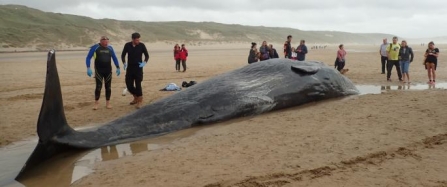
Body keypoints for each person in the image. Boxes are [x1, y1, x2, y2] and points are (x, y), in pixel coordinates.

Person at [85, 36, 120, 110]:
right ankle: (96, 103)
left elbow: (114, 58)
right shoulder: (95, 47)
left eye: (107, 42)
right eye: (105, 42)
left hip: (108, 70)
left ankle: (108, 103)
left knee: (108, 87)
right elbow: (88, 57)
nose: (106, 43)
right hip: (99, 70)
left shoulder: (110, 48)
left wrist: (118, 67)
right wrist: (88, 67)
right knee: (98, 87)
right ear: (101, 41)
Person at [121, 32, 149, 109]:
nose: (138, 41)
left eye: (139, 40)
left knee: (138, 84)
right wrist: (124, 63)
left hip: (138, 68)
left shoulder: (141, 45)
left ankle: (139, 100)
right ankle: (136, 97)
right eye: (136, 40)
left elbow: (147, 55)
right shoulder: (127, 45)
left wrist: (144, 62)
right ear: (133, 39)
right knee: (128, 84)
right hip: (130, 68)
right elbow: (123, 55)